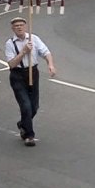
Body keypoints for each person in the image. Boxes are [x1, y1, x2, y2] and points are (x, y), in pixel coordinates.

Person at [5, 16, 56, 147]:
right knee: (25, 105)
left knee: (34, 107)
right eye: (16, 26)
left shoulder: (34, 39)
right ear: (13, 28)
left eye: (21, 25)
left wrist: (50, 65)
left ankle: (23, 123)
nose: (19, 27)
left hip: (33, 73)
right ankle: (29, 135)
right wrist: (23, 52)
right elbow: (11, 64)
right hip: (18, 75)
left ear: (25, 26)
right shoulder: (10, 43)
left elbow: (46, 52)